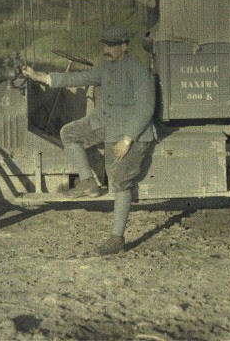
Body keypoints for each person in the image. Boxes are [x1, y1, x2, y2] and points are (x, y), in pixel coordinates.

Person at [22, 26, 156, 255]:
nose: (107, 49)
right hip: (106, 124)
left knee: (120, 183)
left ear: (124, 46)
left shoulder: (138, 71)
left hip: (129, 133)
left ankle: (117, 238)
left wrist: (127, 140)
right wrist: (40, 77)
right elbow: (79, 77)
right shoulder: (107, 68)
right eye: (105, 45)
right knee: (69, 133)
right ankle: (88, 182)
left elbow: (146, 108)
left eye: (112, 46)